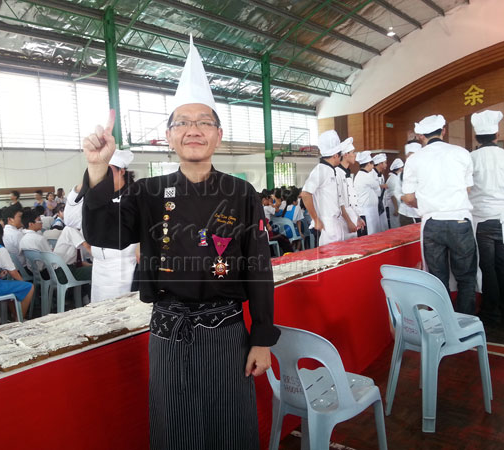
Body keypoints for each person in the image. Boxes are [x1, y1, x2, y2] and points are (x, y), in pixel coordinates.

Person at [79, 35, 278, 450]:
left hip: (226, 329)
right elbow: (103, 234)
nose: (193, 130)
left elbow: (259, 268)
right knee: (175, 426)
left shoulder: (242, 194)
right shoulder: (147, 192)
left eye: (204, 122)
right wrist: (97, 171)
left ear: (218, 136)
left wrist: (261, 336)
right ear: (169, 137)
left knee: (232, 424)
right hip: (168, 330)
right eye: (182, 123)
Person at [402, 114, 477, 314]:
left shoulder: (414, 159)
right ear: (444, 131)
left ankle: (443, 325)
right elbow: (468, 189)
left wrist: (426, 202)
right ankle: (465, 323)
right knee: (466, 276)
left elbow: (408, 197)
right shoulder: (462, 153)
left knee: (437, 277)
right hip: (460, 221)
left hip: (432, 223)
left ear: (421, 137)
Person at [468, 110, 504, 326]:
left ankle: (490, 313)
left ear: (476, 137)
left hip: (482, 219)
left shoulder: (471, 158)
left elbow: (467, 189)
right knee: (502, 263)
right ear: (497, 135)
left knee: (487, 266)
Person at [90, 150, 139, 302]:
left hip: (121, 266)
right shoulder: (99, 196)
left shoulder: (135, 194)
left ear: (122, 171)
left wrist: (142, 243)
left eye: (108, 169)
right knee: (99, 313)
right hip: (99, 266)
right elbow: (72, 220)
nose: (105, 175)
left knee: (121, 312)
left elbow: (149, 223)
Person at [301, 130, 350, 246]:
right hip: (327, 224)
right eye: (341, 155)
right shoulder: (320, 170)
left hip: (336, 223)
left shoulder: (332, 170)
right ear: (335, 155)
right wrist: (316, 219)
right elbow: (305, 194)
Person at [335, 137, 365, 240]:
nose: (355, 155)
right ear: (346, 154)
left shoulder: (347, 172)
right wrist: (349, 222)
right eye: (353, 152)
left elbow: (352, 199)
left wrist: (358, 217)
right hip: (343, 220)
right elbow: (340, 202)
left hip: (352, 217)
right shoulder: (337, 173)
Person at [354, 150, 381, 236]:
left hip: (371, 210)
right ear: (368, 164)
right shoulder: (365, 176)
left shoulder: (363, 174)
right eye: (372, 164)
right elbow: (377, 188)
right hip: (367, 212)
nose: (373, 167)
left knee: (375, 234)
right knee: (371, 235)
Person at [398, 142, 422, 226]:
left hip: (422, 213)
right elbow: (396, 190)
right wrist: (402, 197)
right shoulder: (401, 173)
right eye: (409, 156)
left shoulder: (424, 172)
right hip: (406, 213)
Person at [372, 153, 389, 231]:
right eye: (385, 162)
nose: (386, 165)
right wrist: (381, 186)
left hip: (381, 203)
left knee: (383, 226)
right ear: (380, 163)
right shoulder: (371, 173)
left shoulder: (381, 175)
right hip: (374, 204)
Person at [386, 158, 404, 229]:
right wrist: (396, 208)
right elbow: (392, 195)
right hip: (394, 205)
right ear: (400, 168)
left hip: (397, 204)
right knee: (395, 225)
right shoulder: (393, 179)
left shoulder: (395, 177)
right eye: (402, 167)